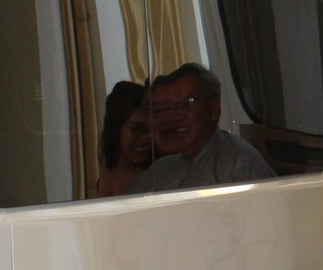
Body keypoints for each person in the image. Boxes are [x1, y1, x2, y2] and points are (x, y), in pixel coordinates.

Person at [128, 63, 275, 192]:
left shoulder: (238, 164)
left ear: (213, 108)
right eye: (159, 109)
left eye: (186, 104)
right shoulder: (158, 171)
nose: (171, 117)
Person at [96, 80, 154, 198]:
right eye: (137, 128)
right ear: (116, 128)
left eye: (152, 128)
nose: (148, 137)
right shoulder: (106, 177)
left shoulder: (159, 173)